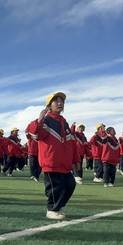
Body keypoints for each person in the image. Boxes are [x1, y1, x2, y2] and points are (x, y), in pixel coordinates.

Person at [29, 92, 79, 220]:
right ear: (49, 106)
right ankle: (52, 209)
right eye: (56, 101)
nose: (60, 103)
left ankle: (58, 206)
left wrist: (76, 160)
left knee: (70, 184)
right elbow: (35, 134)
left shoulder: (64, 123)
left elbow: (72, 143)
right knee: (56, 187)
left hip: (65, 163)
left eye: (62, 101)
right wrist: (39, 119)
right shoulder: (46, 120)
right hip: (51, 161)